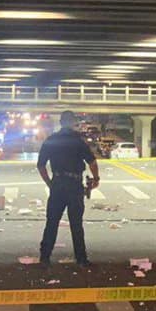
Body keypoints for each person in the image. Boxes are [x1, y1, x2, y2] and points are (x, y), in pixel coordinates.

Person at [37, 110, 100, 268]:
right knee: (76, 224)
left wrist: (49, 183)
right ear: (72, 123)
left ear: (60, 122)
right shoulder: (78, 141)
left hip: (58, 184)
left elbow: (41, 165)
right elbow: (92, 162)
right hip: (74, 185)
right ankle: (81, 259)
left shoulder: (51, 140)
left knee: (52, 222)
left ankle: (45, 257)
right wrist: (96, 179)